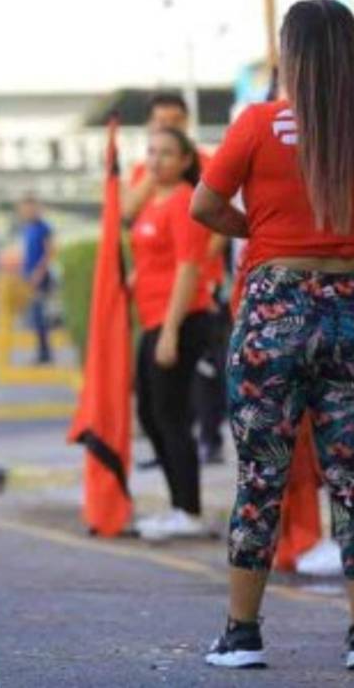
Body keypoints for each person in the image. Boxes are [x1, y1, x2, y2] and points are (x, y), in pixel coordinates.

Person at [193, 0, 354, 671]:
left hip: (274, 305)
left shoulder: (258, 125)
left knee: (262, 473)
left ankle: (242, 633)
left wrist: (263, 234)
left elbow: (204, 205)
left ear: (294, 56)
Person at [123, 92, 229, 467]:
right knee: (158, 398)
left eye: (174, 120)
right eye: (159, 120)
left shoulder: (206, 164)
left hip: (198, 285)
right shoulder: (147, 170)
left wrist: (200, 260)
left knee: (203, 370)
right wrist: (157, 171)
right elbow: (128, 213)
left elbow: (219, 221)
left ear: (186, 122)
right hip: (155, 301)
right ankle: (171, 456)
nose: (166, 125)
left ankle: (210, 439)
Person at [129, 127, 213, 541]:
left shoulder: (183, 201)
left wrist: (171, 332)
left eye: (167, 153)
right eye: (151, 152)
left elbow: (188, 267)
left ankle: (189, 509)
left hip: (178, 320)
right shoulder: (152, 200)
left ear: (185, 161)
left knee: (171, 416)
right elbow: (133, 229)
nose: (157, 160)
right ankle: (178, 504)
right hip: (152, 319)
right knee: (149, 413)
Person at [18, 194, 55, 364]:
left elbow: (49, 252)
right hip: (28, 276)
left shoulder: (43, 228)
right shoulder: (27, 228)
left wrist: (39, 273)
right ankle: (41, 351)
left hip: (40, 277)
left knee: (40, 315)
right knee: (34, 316)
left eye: (29, 208)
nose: (26, 212)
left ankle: (45, 353)